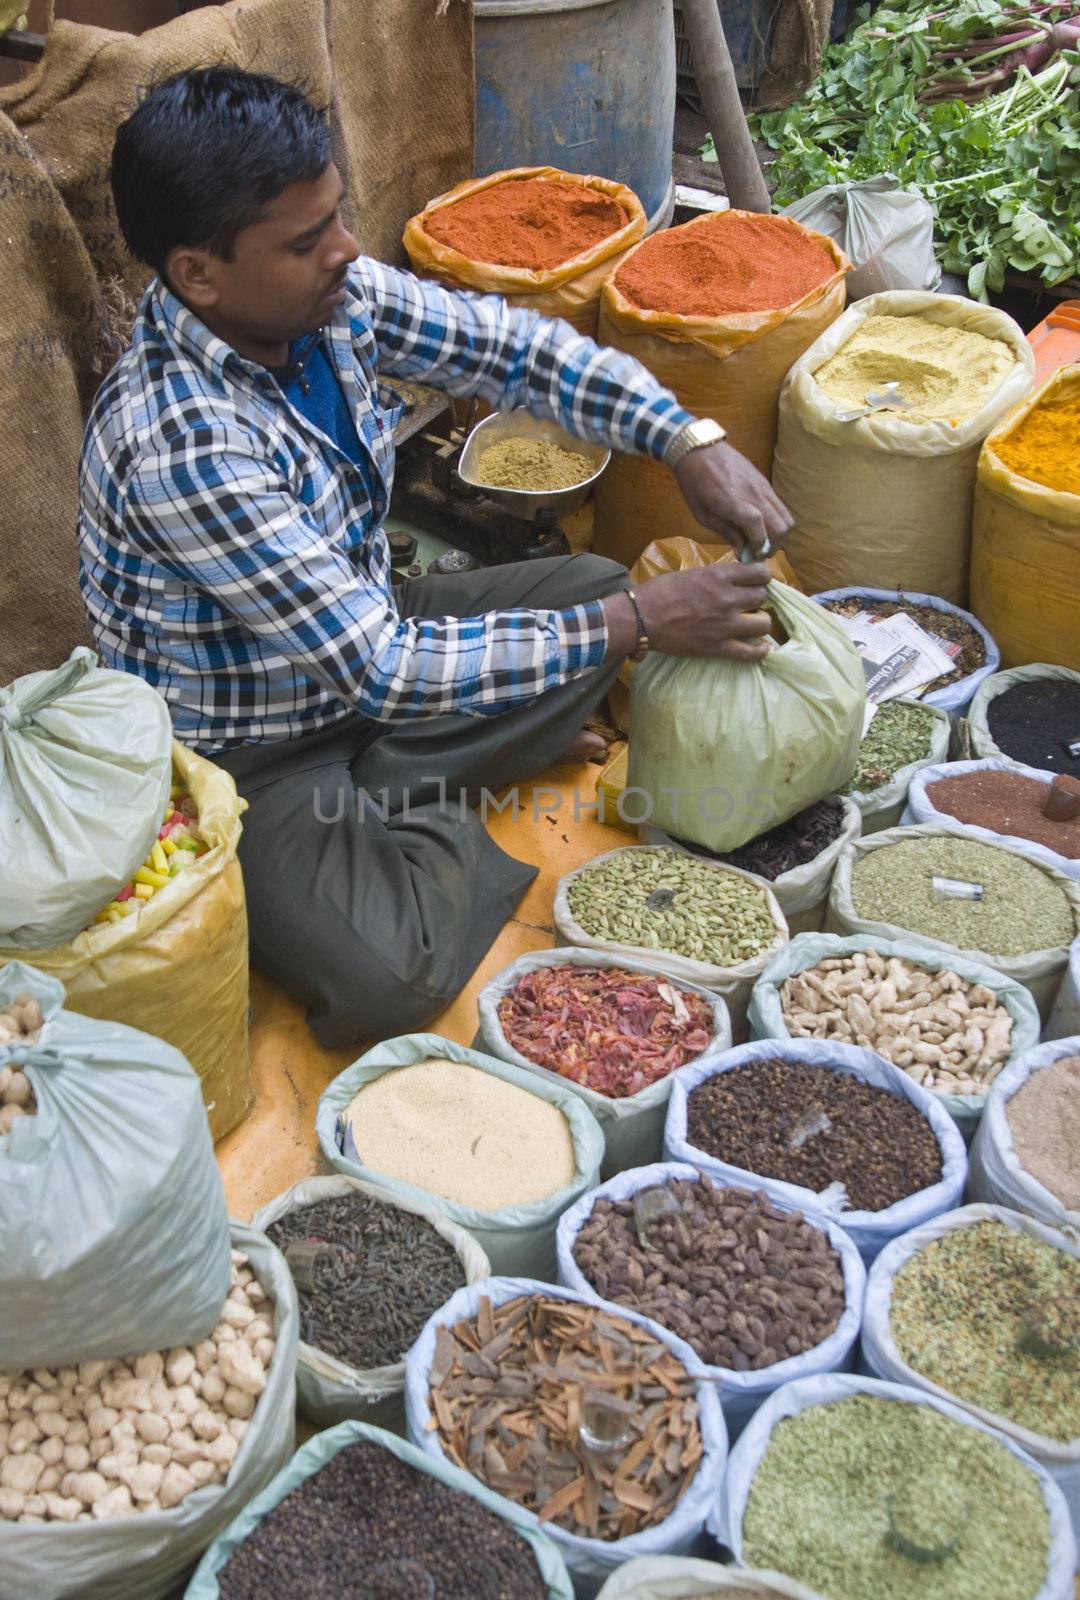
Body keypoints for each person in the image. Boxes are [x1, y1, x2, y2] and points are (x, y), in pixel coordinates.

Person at [79, 67, 793, 1047]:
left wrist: (680, 436)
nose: (345, 252)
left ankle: (399, 781)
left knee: (590, 586)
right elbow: (382, 667)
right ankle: (406, 793)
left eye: (338, 217)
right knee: (388, 976)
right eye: (305, 240)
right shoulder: (185, 440)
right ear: (199, 273)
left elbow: (515, 354)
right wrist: (638, 626)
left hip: (365, 642)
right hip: (251, 750)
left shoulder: (324, 300)